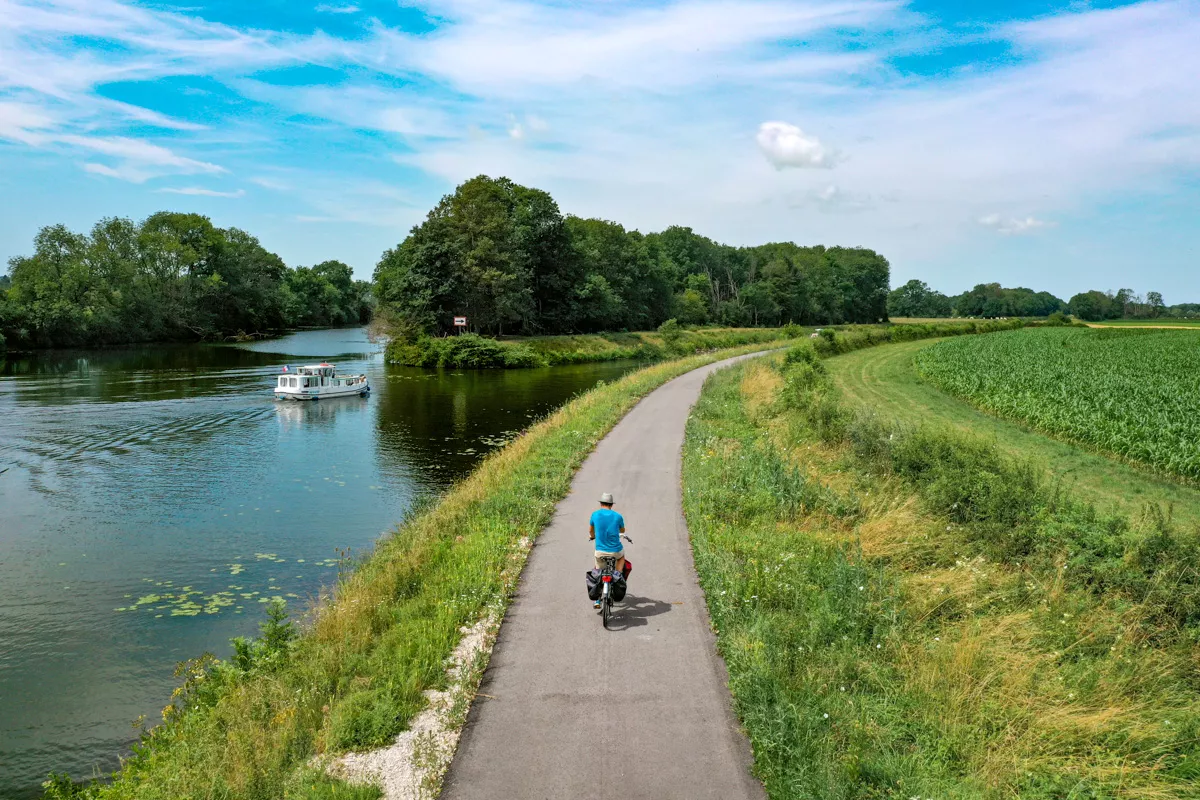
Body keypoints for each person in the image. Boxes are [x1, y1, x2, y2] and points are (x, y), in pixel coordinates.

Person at [589, 492, 626, 609]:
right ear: (611, 505)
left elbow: (591, 531)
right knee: (621, 557)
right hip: (615, 551)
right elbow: (623, 530)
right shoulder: (618, 516)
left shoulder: (594, 515)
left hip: (600, 552)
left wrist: (592, 536)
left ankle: (597, 600)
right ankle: (618, 574)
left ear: (601, 503)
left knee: (598, 571)